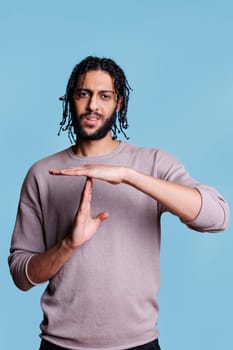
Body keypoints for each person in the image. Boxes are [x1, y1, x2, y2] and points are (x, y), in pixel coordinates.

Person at [9, 56, 230, 350]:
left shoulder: (151, 163)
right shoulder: (42, 173)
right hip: (59, 345)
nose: (92, 106)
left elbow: (217, 217)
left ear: (119, 103)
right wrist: (67, 245)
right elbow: (21, 276)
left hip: (139, 344)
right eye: (83, 94)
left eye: (105, 96)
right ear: (70, 100)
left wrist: (128, 176)